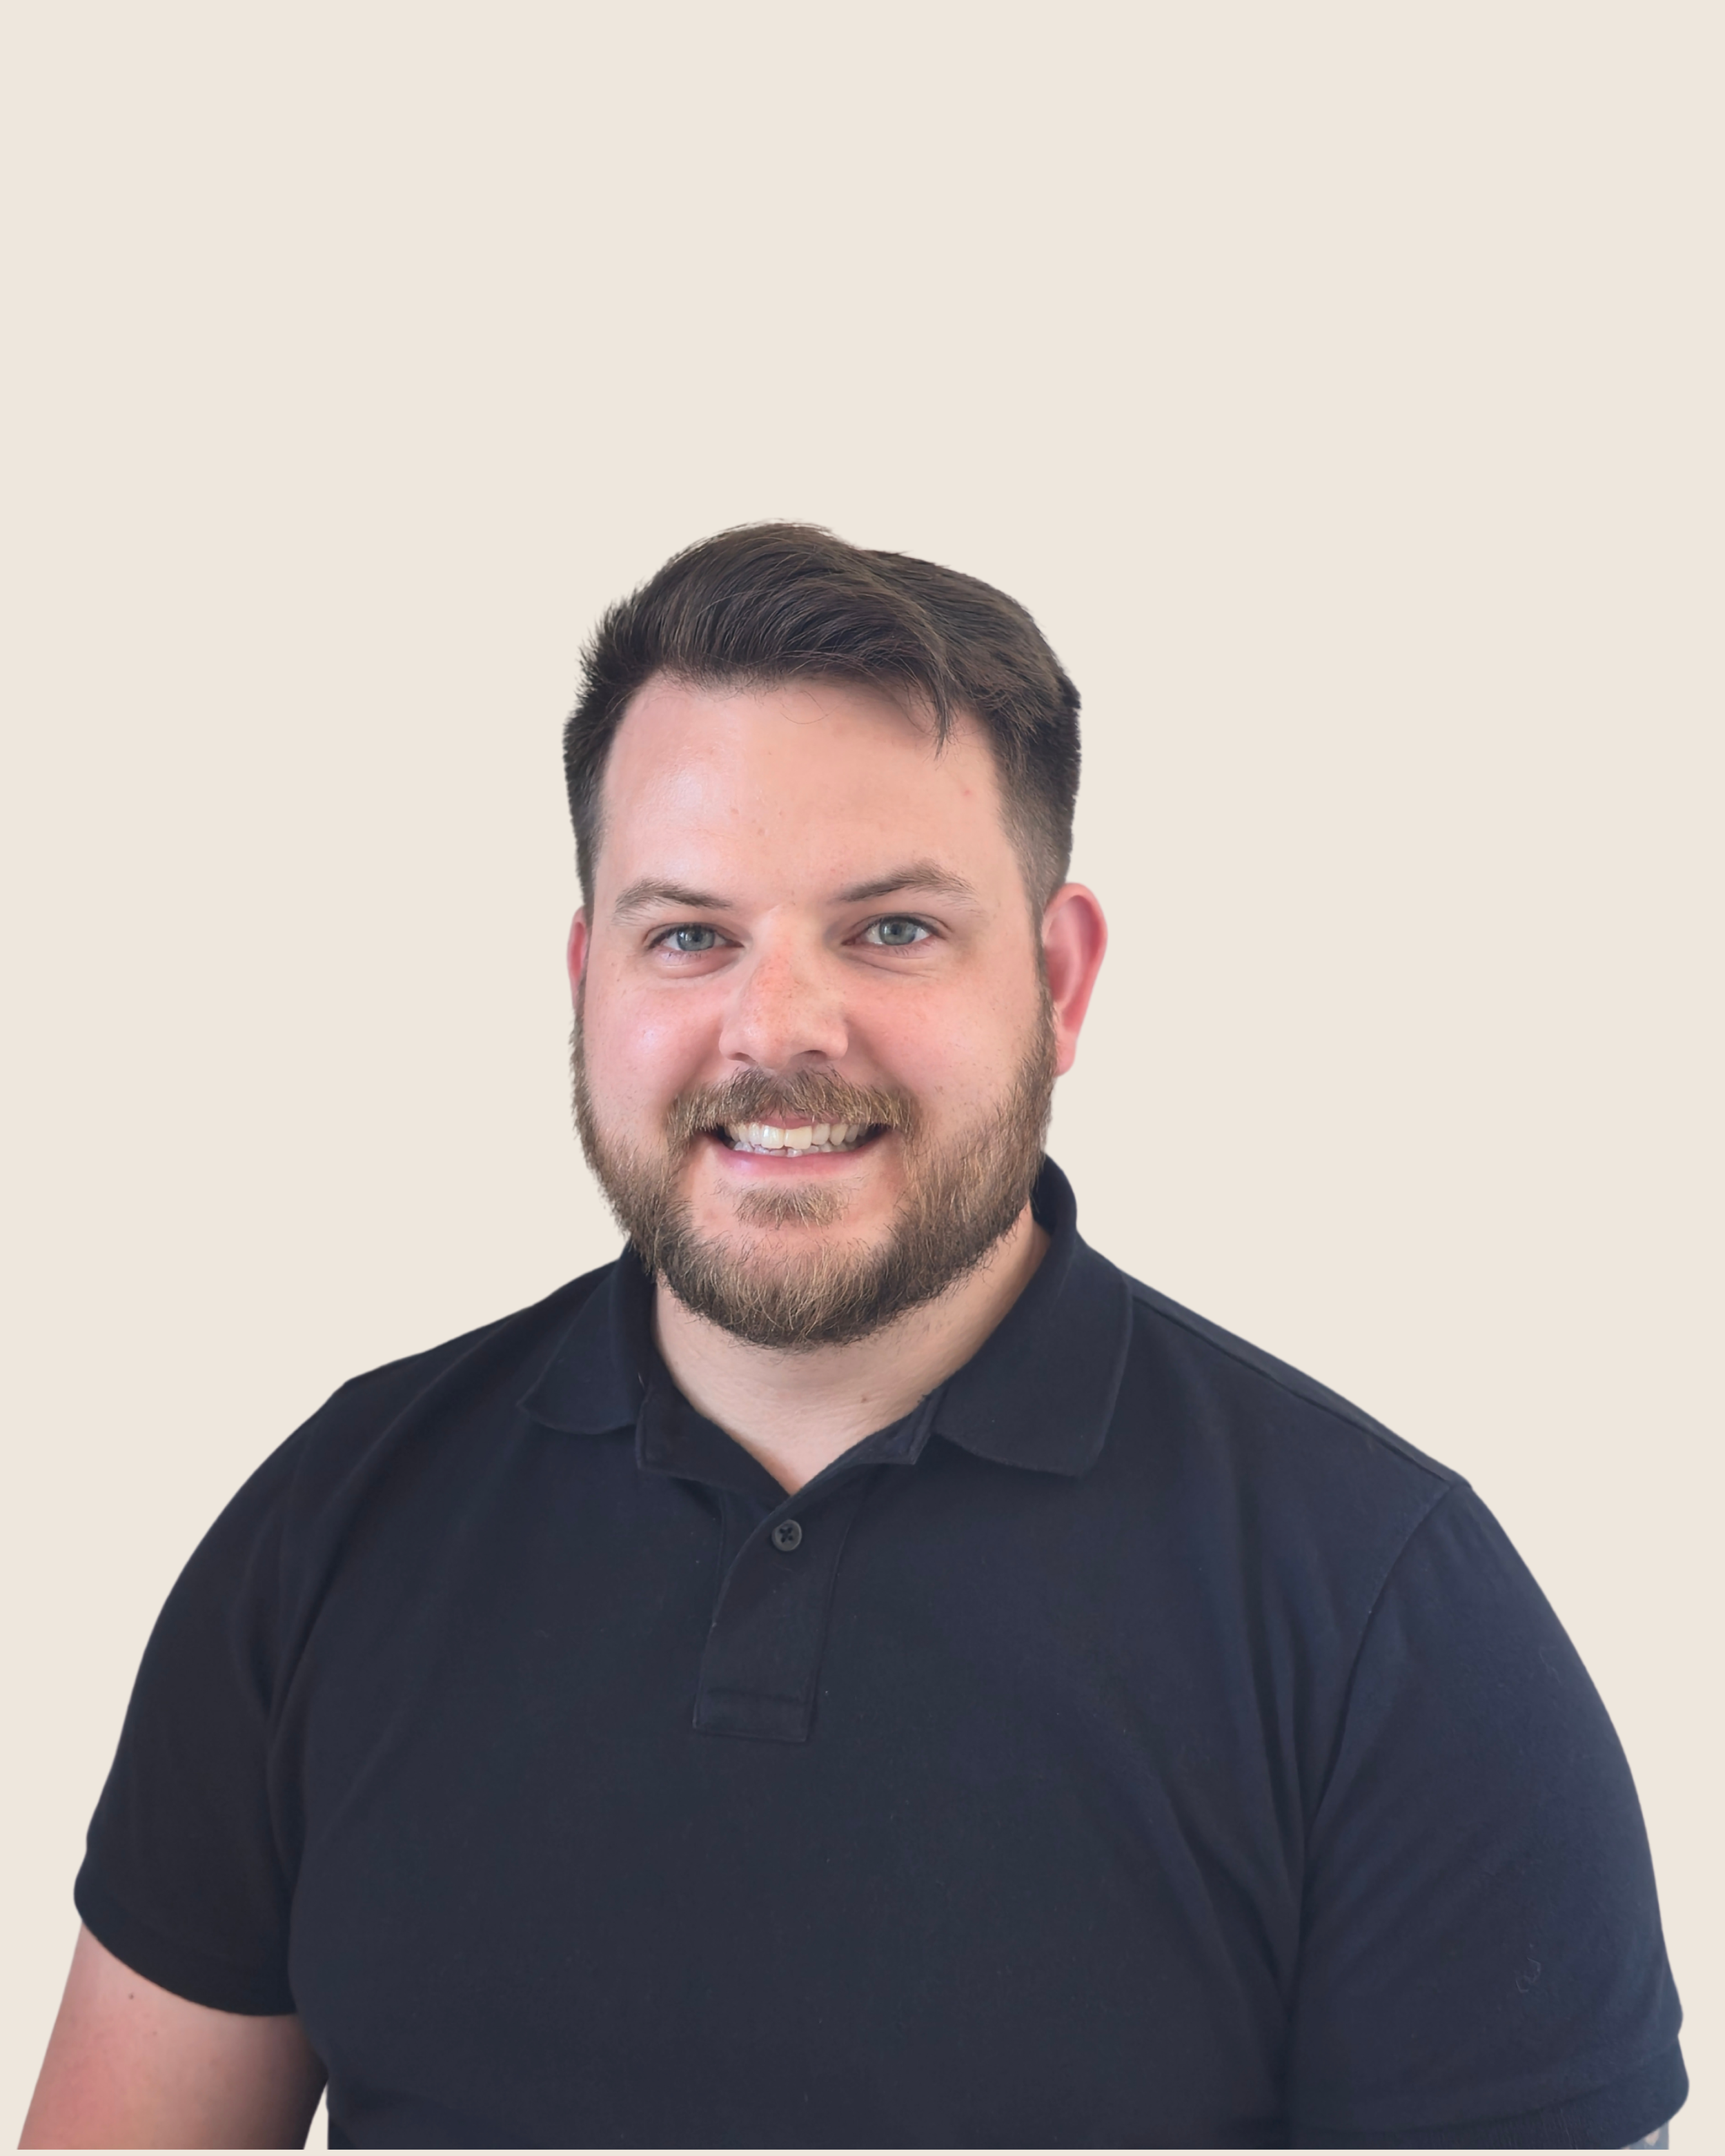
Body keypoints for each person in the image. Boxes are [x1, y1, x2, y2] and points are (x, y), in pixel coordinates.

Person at [23, 526, 1684, 2150]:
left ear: (1058, 976)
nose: (775, 1028)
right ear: (586, 976)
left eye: (890, 927)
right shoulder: (332, 1524)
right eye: (689, 933)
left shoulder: (1383, 1614)